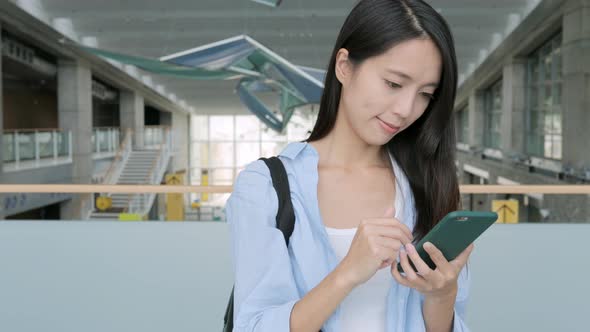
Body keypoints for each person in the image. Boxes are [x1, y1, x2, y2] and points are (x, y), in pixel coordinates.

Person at [225, 0, 472, 331]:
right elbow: (254, 325)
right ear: (345, 66)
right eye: (394, 84)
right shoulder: (267, 187)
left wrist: (443, 295)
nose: (405, 109)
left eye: (426, 94)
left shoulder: (428, 185)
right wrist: (349, 272)